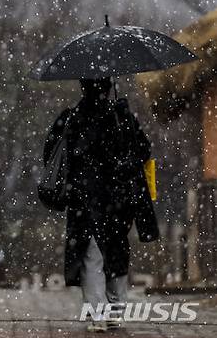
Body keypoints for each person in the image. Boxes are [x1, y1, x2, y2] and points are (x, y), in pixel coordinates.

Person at [42, 78, 159, 332]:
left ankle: (98, 314)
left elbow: (52, 153)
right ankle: (115, 310)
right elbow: (143, 150)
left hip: (84, 201)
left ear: (83, 88)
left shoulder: (72, 118)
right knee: (116, 254)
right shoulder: (121, 118)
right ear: (108, 88)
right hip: (118, 201)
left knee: (91, 257)